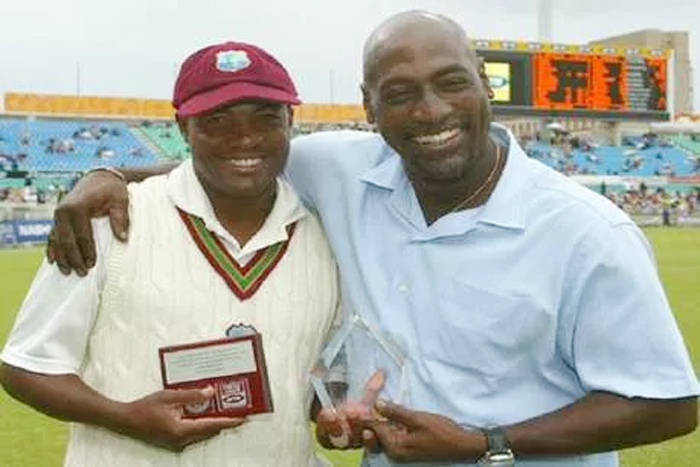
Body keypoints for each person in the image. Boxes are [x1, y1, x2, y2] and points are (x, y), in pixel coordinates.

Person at [40, 11, 698, 467]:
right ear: (368, 106)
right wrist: (105, 175)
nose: (431, 111)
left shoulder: (588, 233)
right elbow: (234, 158)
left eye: (451, 83)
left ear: (484, 84)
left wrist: (484, 442)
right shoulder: (342, 169)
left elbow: (669, 405)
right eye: (400, 93)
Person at [0, 41, 340, 466]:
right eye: (217, 120)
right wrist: (125, 417)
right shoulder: (109, 220)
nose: (244, 137)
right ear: (182, 127)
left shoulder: (326, 236)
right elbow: (27, 365)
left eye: (266, 117)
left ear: (290, 120)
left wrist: (337, 413)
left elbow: (316, 380)